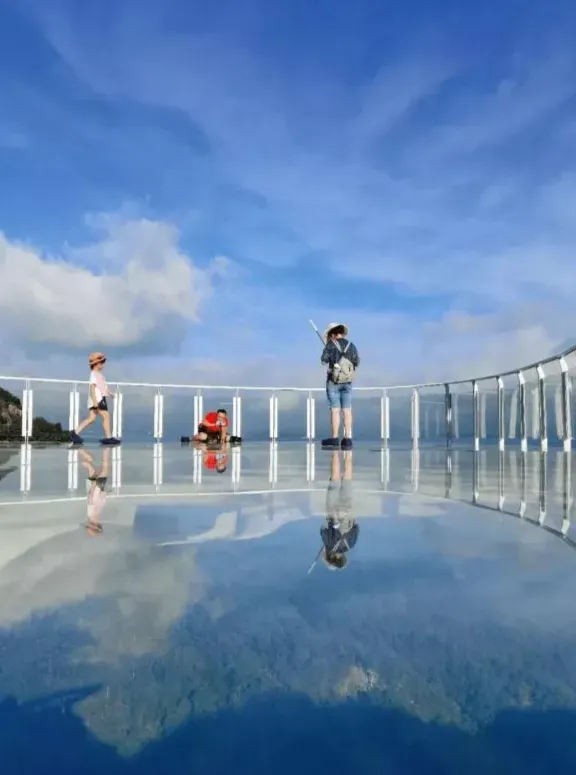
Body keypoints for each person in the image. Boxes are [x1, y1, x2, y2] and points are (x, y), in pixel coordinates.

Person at [320, 323, 360, 449]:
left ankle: (335, 438)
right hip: (347, 381)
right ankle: (347, 439)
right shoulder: (351, 345)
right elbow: (357, 362)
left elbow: (323, 360)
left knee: (335, 410)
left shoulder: (330, 345)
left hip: (333, 382)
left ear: (332, 334)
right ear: (342, 333)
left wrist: (330, 353)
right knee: (347, 410)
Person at [69, 352, 121, 446]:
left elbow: (103, 387)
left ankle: (75, 433)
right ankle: (108, 437)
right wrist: (95, 401)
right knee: (106, 416)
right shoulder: (93, 374)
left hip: (100, 398)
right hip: (98, 399)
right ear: (96, 364)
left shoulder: (100, 375)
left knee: (92, 418)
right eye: (102, 362)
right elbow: (92, 388)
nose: (103, 365)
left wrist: (109, 393)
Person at [321, 449, 359, 570]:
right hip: (332, 512)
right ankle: (335, 448)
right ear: (330, 557)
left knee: (347, 478)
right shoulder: (329, 544)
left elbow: (356, 527)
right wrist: (326, 546)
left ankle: (348, 446)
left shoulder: (350, 544)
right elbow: (323, 529)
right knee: (335, 478)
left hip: (347, 511)